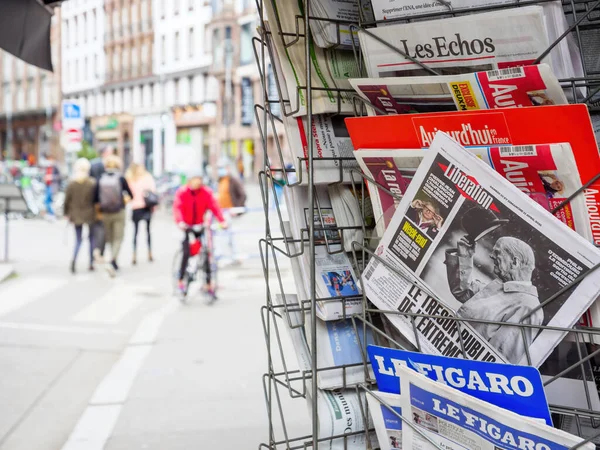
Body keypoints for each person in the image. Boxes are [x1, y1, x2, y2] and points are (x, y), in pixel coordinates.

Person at [445, 235, 543, 364]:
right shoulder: (501, 286)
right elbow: (463, 291)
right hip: (448, 350)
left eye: (497, 252)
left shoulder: (528, 307)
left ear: (515, 262)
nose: (491, 256)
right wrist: (464, 256)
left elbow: (497, 358)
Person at [173, 169, 228, 297]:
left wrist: (222, 221)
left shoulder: (206, 192)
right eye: (195, 179)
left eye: (199, 179)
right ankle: (181, 280)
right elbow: (177, 208)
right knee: (186, 253)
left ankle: (208, 284)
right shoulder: (182, 193)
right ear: (190, 181)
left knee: (206, 253)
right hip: (187, 226)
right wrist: (180, 222)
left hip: (200, 226)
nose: (198, 182)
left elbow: (214, 207)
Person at [94, 155, 133, 277]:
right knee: (118, 238)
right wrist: (124, 201)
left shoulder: (100, 178)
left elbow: (95, 199)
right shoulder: (121, 178)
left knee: (110, 238)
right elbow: (131, 195)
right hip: (118, 211)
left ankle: (111, 259)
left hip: (105, 212)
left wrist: (98, 212)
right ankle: (113, 260)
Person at [64, 158, 96, 274]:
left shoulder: (72, 184)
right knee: (91, 238)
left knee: (78, 240)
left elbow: (67, 201)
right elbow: (95, 200)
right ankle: (91, 262)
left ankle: (74, 260)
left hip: (76, 215)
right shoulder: (91, 183)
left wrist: (66, 213)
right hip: (89, 214)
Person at [125, 162, 157, 265]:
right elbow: (153, 191)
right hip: (145, 207)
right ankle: (149, 253)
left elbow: (128, 195)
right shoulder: (147, 178)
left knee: (136, 232)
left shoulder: (131, 179)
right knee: (147, 232)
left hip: (136, 207)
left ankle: (135, 254)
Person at [90, 146, 115, 262]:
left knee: (96, 230)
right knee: (101, 229)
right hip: (104, 202)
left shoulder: (93, 164)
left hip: (97, 202)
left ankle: (95, 254)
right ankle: (99, 253)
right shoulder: (107, 166)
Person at [43, 154, 61, 220]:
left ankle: (52, 214)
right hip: (47, 185)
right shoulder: (47, 167)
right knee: (47, 201)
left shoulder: (55, 167)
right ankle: (50, 214)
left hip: (52, 186)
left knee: (48, 201)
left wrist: (51, 177)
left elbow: (60, 176)